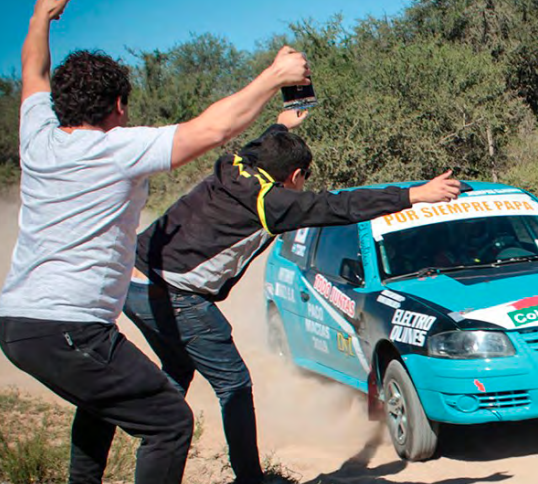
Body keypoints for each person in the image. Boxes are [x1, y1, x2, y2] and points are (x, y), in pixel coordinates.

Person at [0, 1, 311, 483]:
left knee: (100, 404)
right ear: (119, 106)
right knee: (170, 422)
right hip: (70, 326)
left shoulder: (37, 136)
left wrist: (40, 16)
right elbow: (214, 129)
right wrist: (275, 76)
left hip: (18, 321)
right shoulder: (116, 149)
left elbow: (33, 70)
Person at [122, 108, 462, 484]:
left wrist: (282, 123)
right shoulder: (272, 203)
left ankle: (156, 448)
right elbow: (341, 206)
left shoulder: (236, 164)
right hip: (173, 294)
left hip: (132, 281)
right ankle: (250, 479)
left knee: (177, 372)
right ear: (295, 176)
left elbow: (261, 144)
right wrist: (414, 195)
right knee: (233, 384)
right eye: (303, 180)